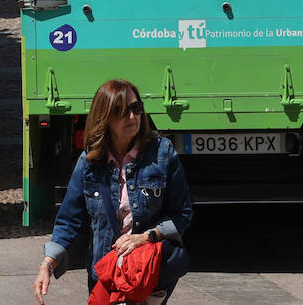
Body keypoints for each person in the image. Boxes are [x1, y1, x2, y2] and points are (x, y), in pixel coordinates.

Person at [32, 79, 192, 305]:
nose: (132, 117)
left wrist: (146, 237)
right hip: (105, 274)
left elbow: (182, 214)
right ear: (104, 116)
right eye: (121, 111)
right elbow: (69, 219)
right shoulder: (89, 161)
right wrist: (47, 265)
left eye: (136, 108)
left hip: (147, 274)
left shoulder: (162, 154)